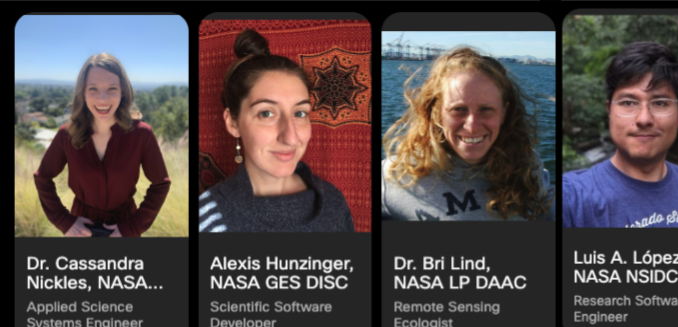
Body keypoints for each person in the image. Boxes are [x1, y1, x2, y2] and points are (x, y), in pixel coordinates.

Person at [198, 29, 354, 232]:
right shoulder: (207, 218)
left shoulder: (334, 202)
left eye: (299, 114)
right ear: (232, 123)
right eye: (266, 114)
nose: (291, 137)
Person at [562, 41, 678, 228]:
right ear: (609, 111)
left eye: (660, 103)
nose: (644, 119)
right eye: (628, 103)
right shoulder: (572, 198)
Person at [381, 47, 554, 221]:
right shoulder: (395, 176)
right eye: (458, 109)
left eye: (486, 109)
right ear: (437, 113)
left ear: (504, 113)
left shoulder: (528, 167)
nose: (472, 126)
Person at [34, 53, 171, 237]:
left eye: (112, 88)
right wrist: (64, 222)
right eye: (93, 89)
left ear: (123, 91)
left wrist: (132, 228)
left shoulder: (142, 134)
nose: (103, 98)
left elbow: (160, 184)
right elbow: (43, 178)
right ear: (83, 92)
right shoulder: (66, 135)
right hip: (80, 231)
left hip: (124, 230)